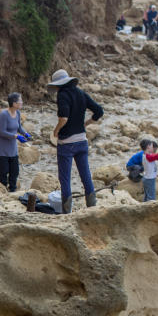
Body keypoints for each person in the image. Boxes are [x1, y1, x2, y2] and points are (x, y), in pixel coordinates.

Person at [48, 69, 102, 212]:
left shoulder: (62, 95)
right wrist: (86, 123)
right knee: (85, 174)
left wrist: (56, 130)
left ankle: (67, 212)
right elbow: (99, 111)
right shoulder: (81, 93)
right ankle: (92, 207)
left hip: (66, 144)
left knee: (65, 178)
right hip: (82, 141)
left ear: (58, 85)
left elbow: (63, 118)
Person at [0, 92, 28, 193]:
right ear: (14, 103)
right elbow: (1, 132)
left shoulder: (17, 113)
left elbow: (19, 127)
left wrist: (26, 134)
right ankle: (2, 193)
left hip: (13, 149)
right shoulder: (4, 115)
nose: (22, 102)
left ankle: (12, 192)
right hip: (2, 149)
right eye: (20, 101)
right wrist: (16, 136)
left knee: (15, 172)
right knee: (4, 173)